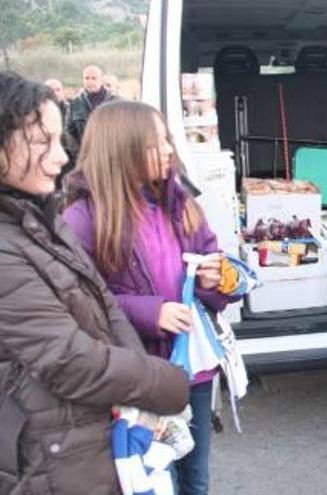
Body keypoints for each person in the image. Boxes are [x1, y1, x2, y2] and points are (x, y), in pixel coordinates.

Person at [0, 72, 189, 495]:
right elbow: (69, 361)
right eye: (40, 143)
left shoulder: (40, 217)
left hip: (92, 439)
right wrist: (163, 383)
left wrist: (144, 387)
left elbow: (104, 304)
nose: (59, 158)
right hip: (51, 455)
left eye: (58, 140)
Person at [62, 100, 236, 495]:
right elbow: (78, 302)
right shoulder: (84, 219)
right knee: (153, 479)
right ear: (122, 150)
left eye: (167, 140)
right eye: (156, 143)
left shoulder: (182, 202)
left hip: (191, 369)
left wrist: (217, 277)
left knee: (196, 478)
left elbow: (212, 257)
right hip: (136, 375)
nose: (169, 150)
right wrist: (148, 312)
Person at [66, 65, 117, 169]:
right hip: (85, 161)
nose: (90, 81)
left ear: (101, 80)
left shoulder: (116, 102)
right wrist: (78, 153)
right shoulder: (75, 103)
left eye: (94, 78)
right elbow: (68, 131)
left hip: (113, 160)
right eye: (86, 78)